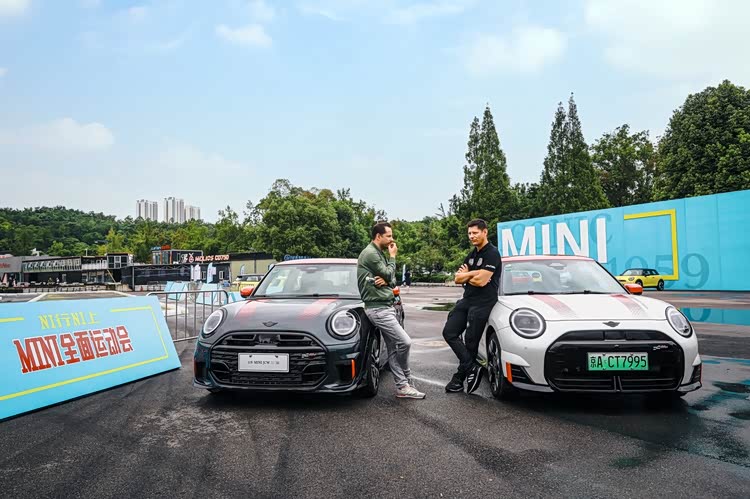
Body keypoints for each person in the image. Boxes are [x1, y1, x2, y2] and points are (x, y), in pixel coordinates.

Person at [357, 222, 425, 399]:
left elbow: (392, 280)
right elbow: (389, 274)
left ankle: (403, 386)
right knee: (405, 342)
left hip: (385, 307)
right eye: (388, 236)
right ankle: (407, 378)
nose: (392, 239)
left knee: (393, 348)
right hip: (378, 309)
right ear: (378, 236)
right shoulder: (371, 254)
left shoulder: (379, 253)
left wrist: (387, 280)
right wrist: (393, 257)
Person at [442, 219, 502, 394]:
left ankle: (458, 380)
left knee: (470, 341)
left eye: (475, 233)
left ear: (485, 232)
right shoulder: (472, 255)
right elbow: (457, 278)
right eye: (469, 233)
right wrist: (474, 273)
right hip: (467, 299)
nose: (471, 236)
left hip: (484, 302)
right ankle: (472, 367)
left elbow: (481, 281)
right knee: (449, 332)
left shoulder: (492, 253)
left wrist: (468, 274)